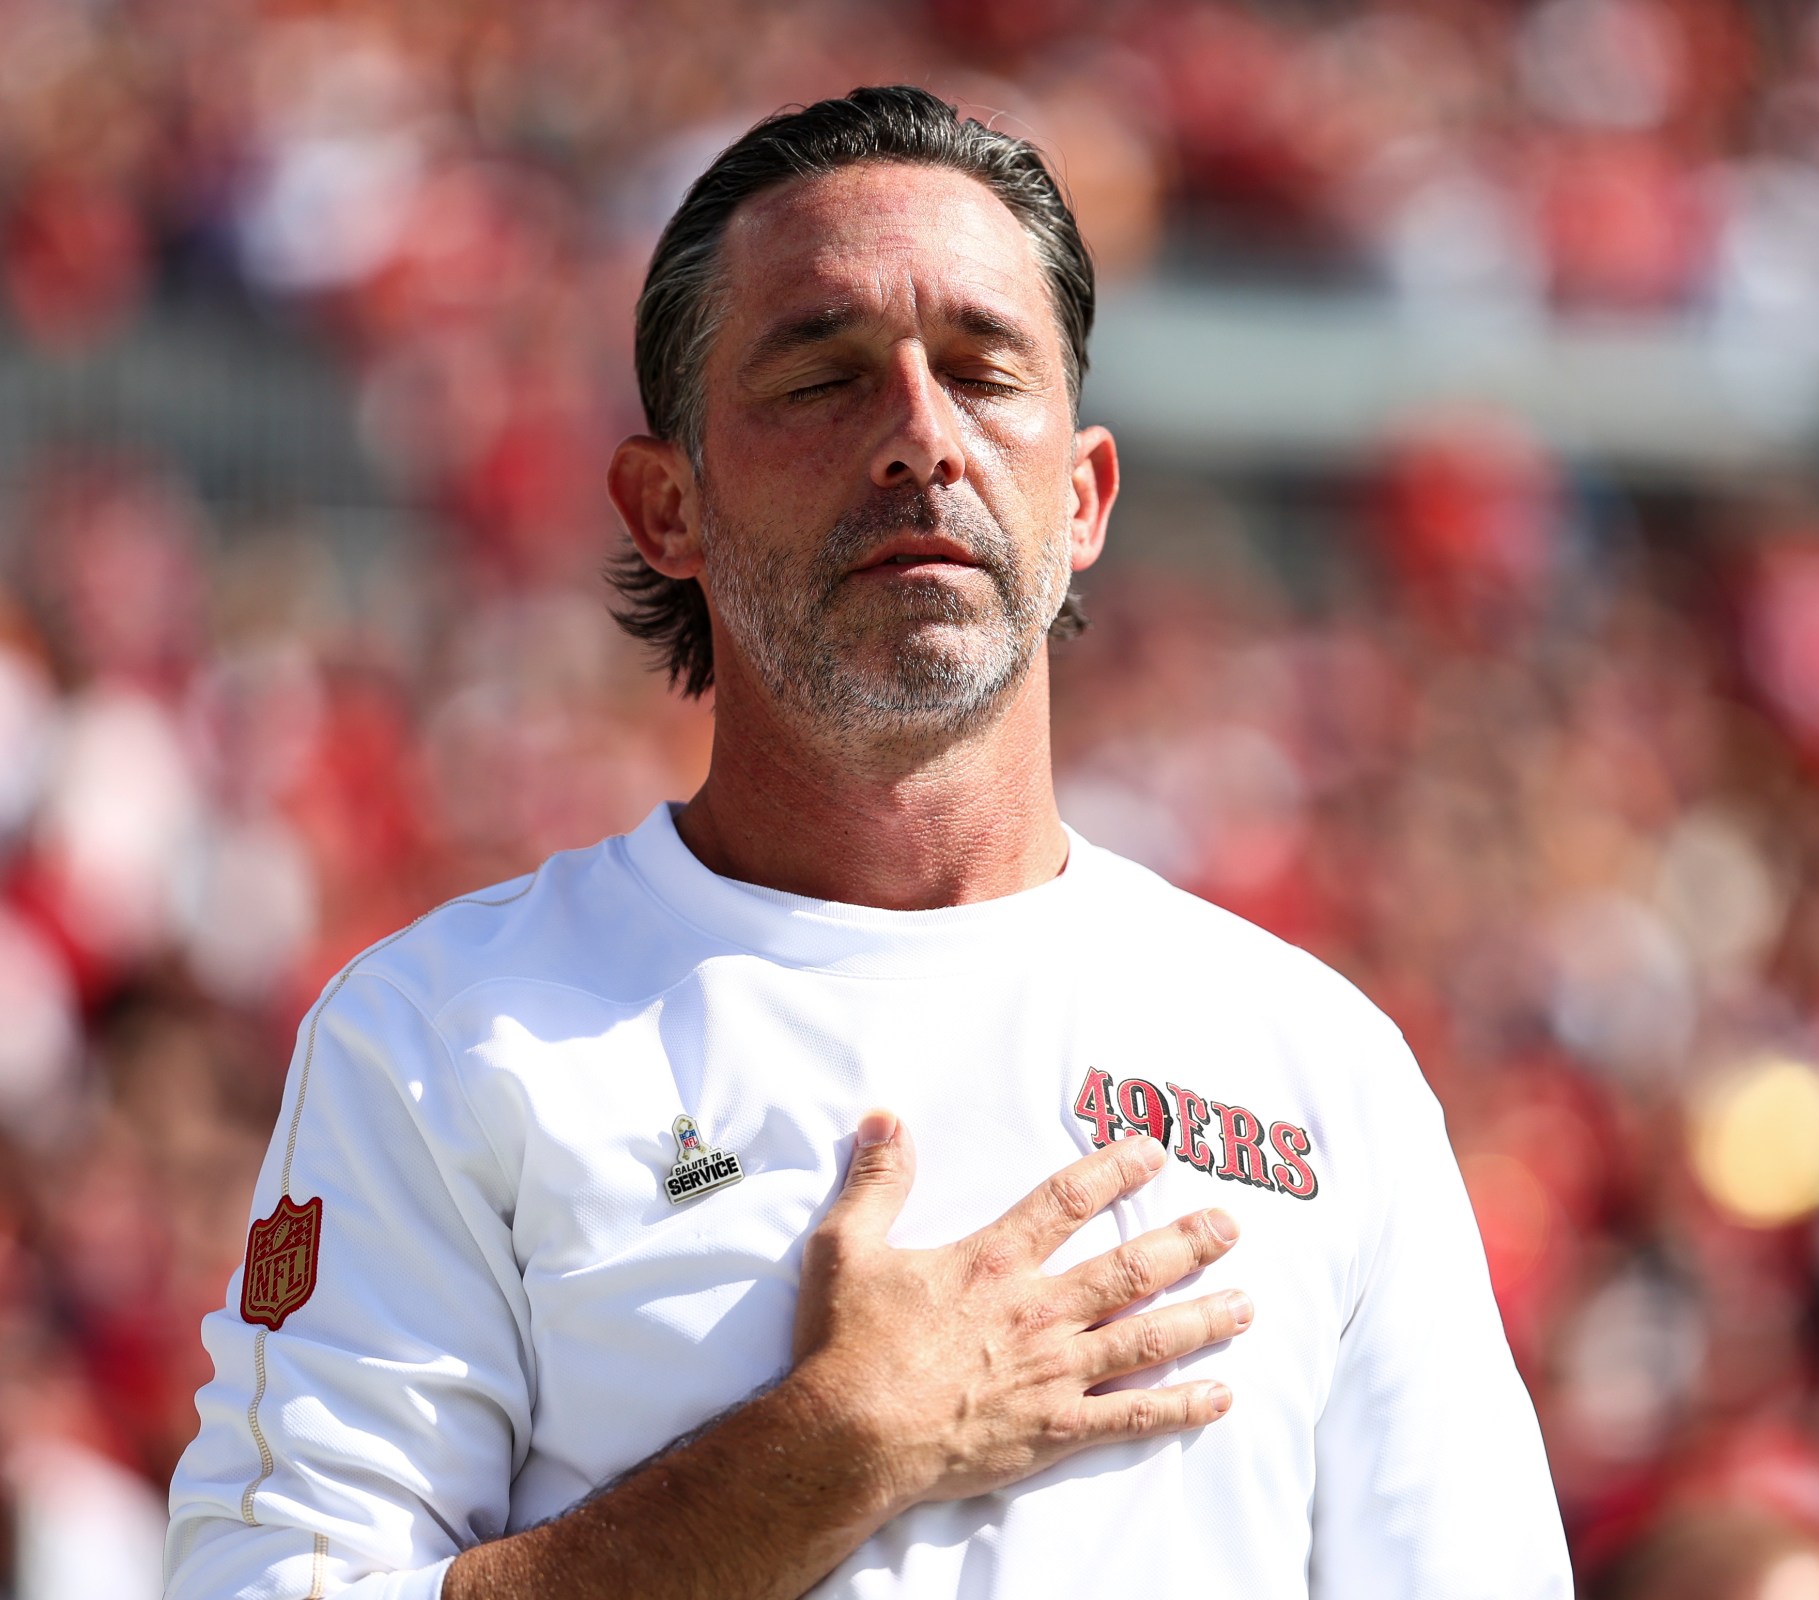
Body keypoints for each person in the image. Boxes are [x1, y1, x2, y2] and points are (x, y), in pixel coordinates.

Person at [164, 86, 1569, 1600]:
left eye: (982, 370)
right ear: (665, 508)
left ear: (1084, 495)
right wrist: (834, 1447)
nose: (919, 437)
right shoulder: (441, 1038)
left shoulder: (1319, 1067)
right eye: (823, 375)